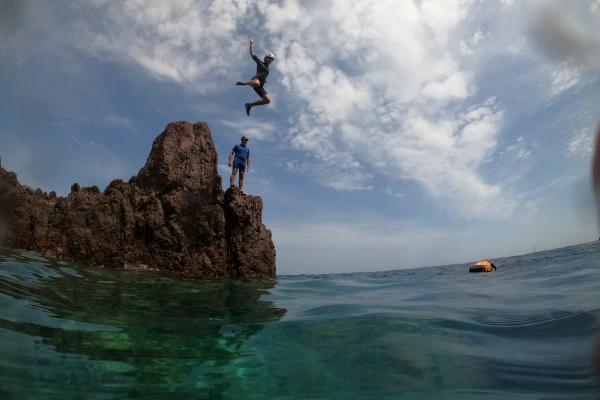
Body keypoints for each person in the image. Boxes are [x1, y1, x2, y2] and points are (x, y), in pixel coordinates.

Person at [235, 35, 275, 116]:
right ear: (266, 58)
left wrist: (264, 80)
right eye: (270, 58)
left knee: (267, 100)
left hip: (260, 86)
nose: (271, 60)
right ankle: (242, 83)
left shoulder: (268, 69)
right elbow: (252, 53)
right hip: (256, 80)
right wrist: (251, 43)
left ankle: (249, 105)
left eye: (272, 60)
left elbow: (263, 75)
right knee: (257, 83)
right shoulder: (261, 63)